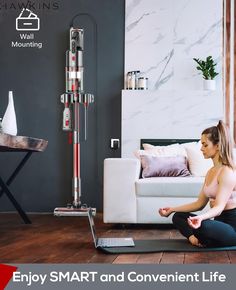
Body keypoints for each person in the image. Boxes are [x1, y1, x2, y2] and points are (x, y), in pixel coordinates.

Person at [159, 120, 236, 247]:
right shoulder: (211, 172)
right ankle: (194, 238)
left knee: (203, 225)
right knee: (178, 216)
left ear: (217, 146)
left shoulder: (227, 172)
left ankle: (203, 237)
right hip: (218, 223)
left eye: (205, 145)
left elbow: (219, 208)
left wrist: (201, 218)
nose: (201, 149)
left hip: (232, 228)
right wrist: (171, 209)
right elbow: (199, 204)